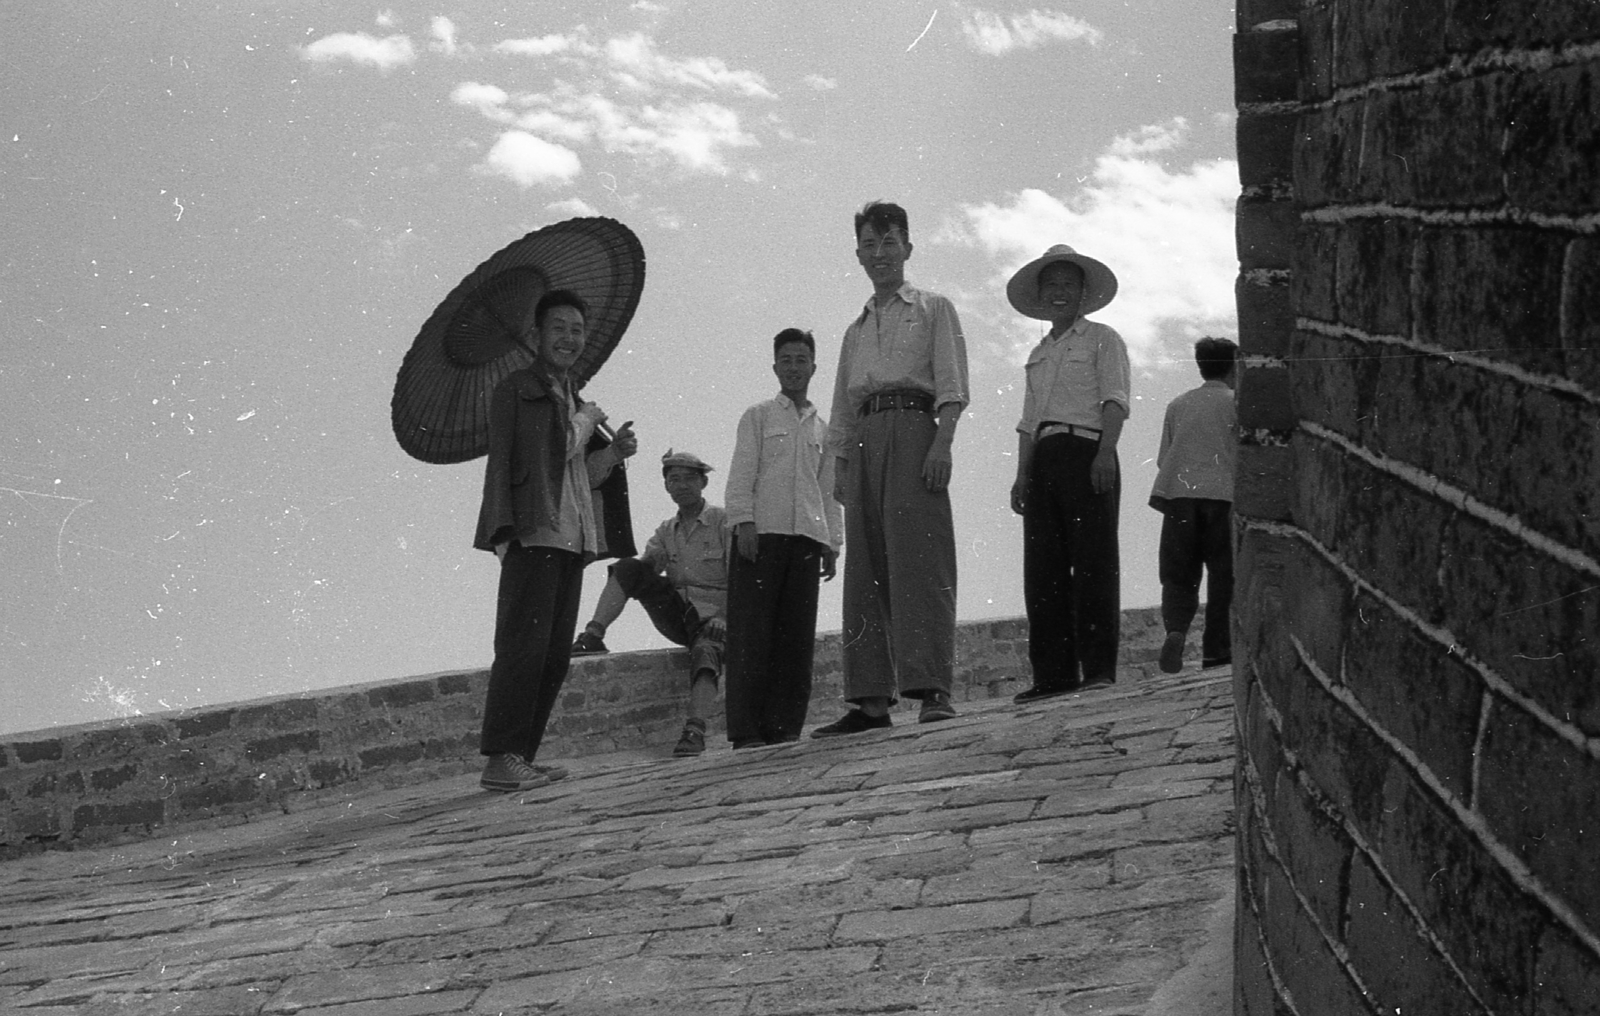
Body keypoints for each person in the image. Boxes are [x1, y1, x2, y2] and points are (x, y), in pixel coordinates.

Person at [813, 201, 969, 737]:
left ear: (907, 247)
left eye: (890, 243)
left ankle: (932, 688)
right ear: (858, 254)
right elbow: (840, 403)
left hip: (914, 429)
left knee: (920, 558)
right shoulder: (855, 331)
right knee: (864, 571)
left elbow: (951, 387)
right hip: (863, 440)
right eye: (870, 245)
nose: (880, 254)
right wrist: (838, 463)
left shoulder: (932, 309)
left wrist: (941, 445)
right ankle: (871, 700)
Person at [474, 289, 638, 792]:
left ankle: (522, 754)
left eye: (576, 330)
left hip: (571, 537)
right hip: (533, 534)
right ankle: (500, 757)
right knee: (524, 647)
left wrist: (612, 456)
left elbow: (574, 474)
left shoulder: (568, 395)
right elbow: (548, 450)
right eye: (559, 328)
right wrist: (586, 420)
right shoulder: (518, 389)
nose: (569, 338)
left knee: (553, 654)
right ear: (536, 336)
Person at [1008, 245, 1130, 703]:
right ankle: (1053, 674)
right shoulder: (1038, 353)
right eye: (1052, 286)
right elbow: (1028, 422)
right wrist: (1022, 474)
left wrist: (1106, 453)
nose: (1060, 293)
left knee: (1095, 561)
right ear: (1042, 296)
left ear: (1083, 293)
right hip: (1044, 458)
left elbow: (1115, 400)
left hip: (1088, 450)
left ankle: (1098, 668)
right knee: (1043, 569)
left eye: (1068, 285)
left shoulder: (1103, 338)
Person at [723, 328, 843, 748]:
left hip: (807, 539)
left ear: (814, 366)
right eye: (786, 360)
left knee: (795, 637)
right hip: (763, 535)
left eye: (802, 360)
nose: (794, 367)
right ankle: (745, 730)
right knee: (752, 634)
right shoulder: (758, 416)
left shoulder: (823, 429)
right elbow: (742, 473)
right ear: (775, 367)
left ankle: (785, 726)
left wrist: (831, 541)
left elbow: (828, 490)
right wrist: (743, 523)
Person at [571, 450, 729, 756]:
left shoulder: (723, 522)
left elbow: (745, 578)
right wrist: (644, 567)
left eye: (689, 479)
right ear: (667, 487)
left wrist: (725, 616)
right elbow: (649, 566)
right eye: (674, 480)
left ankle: (694, 731)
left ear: (704, 482)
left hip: (713, 619)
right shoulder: (666, 530)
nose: (681, 485)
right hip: (677, 613)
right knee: (628, 567)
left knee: (707, 651)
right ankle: (593, 635)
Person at [1149, 337, 1238, 673]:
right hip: (1223, 496)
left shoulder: (1178, 403)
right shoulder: (1235, 402)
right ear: (1234, 365)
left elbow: (1163, 458)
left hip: (1179, 495)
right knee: (1223, 576)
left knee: (1178, 575)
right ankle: (1217, 650)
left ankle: (1176, 629)